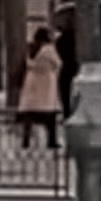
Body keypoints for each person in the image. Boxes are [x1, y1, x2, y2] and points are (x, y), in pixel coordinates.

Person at [16, 22, 64, 153]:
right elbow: (58, 63)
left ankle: (25, 140)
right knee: (50, 113)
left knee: (30, 113)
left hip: (31, 82)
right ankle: (51, 141)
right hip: (46, 83)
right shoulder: (49, 49)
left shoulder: (31, 48)